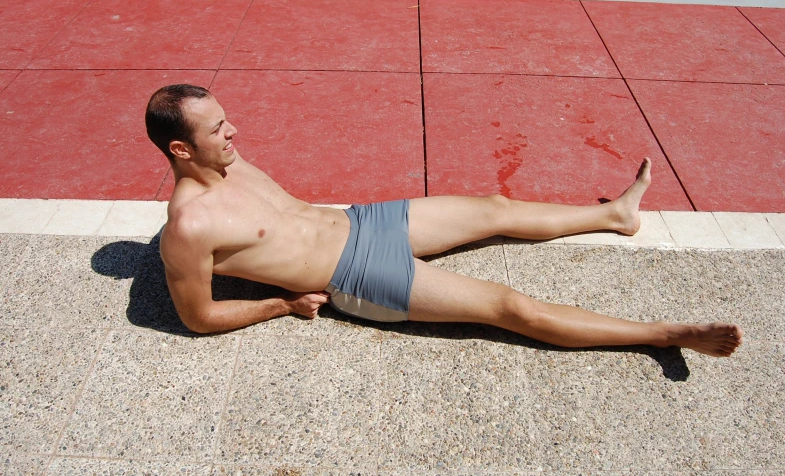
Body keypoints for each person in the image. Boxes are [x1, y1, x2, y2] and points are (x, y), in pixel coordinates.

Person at [144, 84, 743, 357]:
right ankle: (667, 335)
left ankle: (614, 214)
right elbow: (197, 318)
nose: (234, 132)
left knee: (494, 209)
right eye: (218, 128)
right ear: (180, 150)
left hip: (360, 222)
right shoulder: (189, 230)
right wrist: (282, 304)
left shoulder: (228, 162)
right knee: (511, 308)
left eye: (226, 119)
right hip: (356, 275)